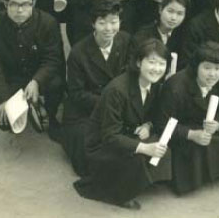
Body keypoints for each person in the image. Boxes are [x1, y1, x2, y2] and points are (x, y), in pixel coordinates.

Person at [72, 37, 173, 208]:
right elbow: (110, 136)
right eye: (152, 62)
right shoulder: (116, 89)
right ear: (139, 62)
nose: (157, 69)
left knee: (164, 146)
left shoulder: (154, 84)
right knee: (140, 156)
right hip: (102, 144)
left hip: (128, 131)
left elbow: (152, 114)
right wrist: (144, 147)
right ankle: (119, 193)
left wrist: (148, 125)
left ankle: (138, 179)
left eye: (162, 64)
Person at [0, 0, 65, 134]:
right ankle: (28, 106)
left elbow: (53, 59)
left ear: (33, 4)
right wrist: (2, 99)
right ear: (6, 4)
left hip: (38, 75)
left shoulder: (48, 23)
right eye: (14, 4)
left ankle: (48, 111)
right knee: (4, 123)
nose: (20, 10)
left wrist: (37, 81)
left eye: (25, 4)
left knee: (56, 83)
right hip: (12, 78)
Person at [62, 0, 131, 176]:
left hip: (119, 105)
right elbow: (76, 94)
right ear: (93, 23)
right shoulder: (78, 53)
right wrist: (108, 103)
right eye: (102, 22)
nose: (109, 28)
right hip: (86, 110)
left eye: (114, 22)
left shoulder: (126, 41)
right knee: (89, 146)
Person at [159, 40, 219, 195]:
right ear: (196, 66)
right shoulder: (175, 86)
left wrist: (218, 124)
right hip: (181, 130)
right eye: (207, 68)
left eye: (217, 68)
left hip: (205, 127)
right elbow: (162, 123)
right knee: (192, 149)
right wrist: (191, 134)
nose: (213, 74)